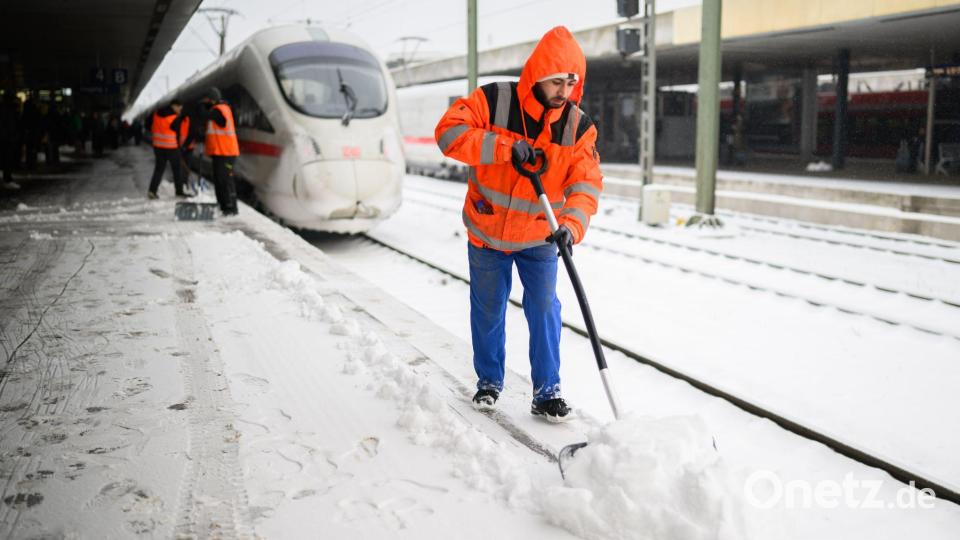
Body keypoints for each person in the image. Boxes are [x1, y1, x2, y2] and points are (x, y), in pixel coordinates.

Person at [434, 26, 603, 422]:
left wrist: (570, 227)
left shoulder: (578, 127)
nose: (563, 90)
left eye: (570, 82)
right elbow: (449, 133)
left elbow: (586, 184)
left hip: (541, 236)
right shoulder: (494, 101)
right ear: (537, 75)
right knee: (489, 309)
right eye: (556, 81)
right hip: (488, 231)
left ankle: (547, 390)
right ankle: (489, 381)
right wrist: (504, 147)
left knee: (544, 308)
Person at [197, 87, 239, 215]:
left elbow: (206, 115)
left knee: (225, 180)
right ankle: (223, 205)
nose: (205, 102)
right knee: (219, 180)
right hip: (219, 153)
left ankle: (230, 208)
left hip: (226, 153)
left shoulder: (219, 110)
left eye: (206, 100)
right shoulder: (217, 109)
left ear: (212, 99)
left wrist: (201, 106)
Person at [147, 99, 188, 199]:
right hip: (171, 147)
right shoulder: (174, 118)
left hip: (158, 147)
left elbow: (149, 126)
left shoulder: (156, 114)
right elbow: (178, 134)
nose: (180, 110)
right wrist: (180, 146)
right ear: (174, 106)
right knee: (177, 169)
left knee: (159, 169)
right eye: (179, 108)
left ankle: (152, 191)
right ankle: (179, 191)